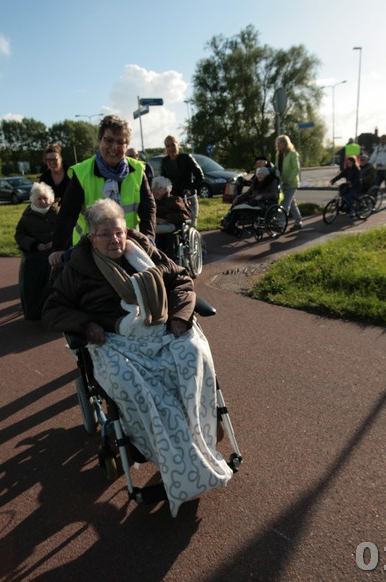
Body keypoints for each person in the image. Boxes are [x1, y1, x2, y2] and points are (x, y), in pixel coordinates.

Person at [42, 199, 232, 517]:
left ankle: (203, 424)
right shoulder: (79, 266)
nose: (115, 240)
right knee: (134, 383)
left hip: (162, 328)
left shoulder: (143, 249)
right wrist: (86, 325)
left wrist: (180, 317)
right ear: (91, 237)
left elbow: (181, 280)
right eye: (105, 234)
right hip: (115, 339)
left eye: (119, 232)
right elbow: (52, 309)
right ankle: (159, 450)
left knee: (193, 352)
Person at [49, 114, 155, 268]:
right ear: (99, 141)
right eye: (109, 140)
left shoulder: (137, 170)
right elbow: (67, 213)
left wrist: (148, 239)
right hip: (90, 249)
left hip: (127, 247)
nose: (114, 147)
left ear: (127, 145)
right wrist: (58, 248)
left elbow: (148, 208)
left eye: (120, 142)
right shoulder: (82, 173)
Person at [14, 182, 60, 320]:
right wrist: (35, 245)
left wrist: (57, 242)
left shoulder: (58, 212)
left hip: (57, 249)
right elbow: (20, 235)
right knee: (33, 275)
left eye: (45, 198)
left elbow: (68, 229)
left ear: (51, 198)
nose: (43, 201)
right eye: (39, 199)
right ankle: (35, 308)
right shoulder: (27, 217)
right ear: (33, 200)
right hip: (36, 252)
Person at [219, 166, 280, 235]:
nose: (259, 176)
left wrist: (262, 195)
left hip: (264, 202)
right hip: (253, 200)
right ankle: (229, 225)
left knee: (238, 208)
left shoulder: (272, 181)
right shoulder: (256, 181)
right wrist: (238, 198)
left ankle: (230, 226)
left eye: (261, 174)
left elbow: (274, 195)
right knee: (236, 205)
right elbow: (248, 193)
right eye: (258, 174)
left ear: (266, 175)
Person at [151, 176, 191, 256]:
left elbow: (185, 215)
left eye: (158, 189)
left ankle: (171, 258)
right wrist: (157, 219)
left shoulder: (176, 200)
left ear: (166, 189)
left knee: (171, 237)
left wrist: (167, 219)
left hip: (174, 229)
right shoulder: (152, 202)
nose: (155, 192)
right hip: (158, 228)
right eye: (153, 189)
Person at [276, 134, 303, 230]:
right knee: (292, 204)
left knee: (285, 204)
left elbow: (296, 168)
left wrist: (289, 179)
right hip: (282, 183)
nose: (279, 144)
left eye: (281, 142)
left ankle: (281, 225)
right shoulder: (278, 155)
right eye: (278, 143)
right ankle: (298, 222)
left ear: (286, 143)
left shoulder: (293, 154)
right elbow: (277, 169)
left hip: (292, 183)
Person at [369, 134, 386, 207]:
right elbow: (374, 156)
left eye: (383, 139)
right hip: (379, 169)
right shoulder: (378, 147)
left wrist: (382, 163)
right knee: (376, 186)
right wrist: (369, 163)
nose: (381, 141)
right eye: (381, 139)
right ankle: (373, 202)